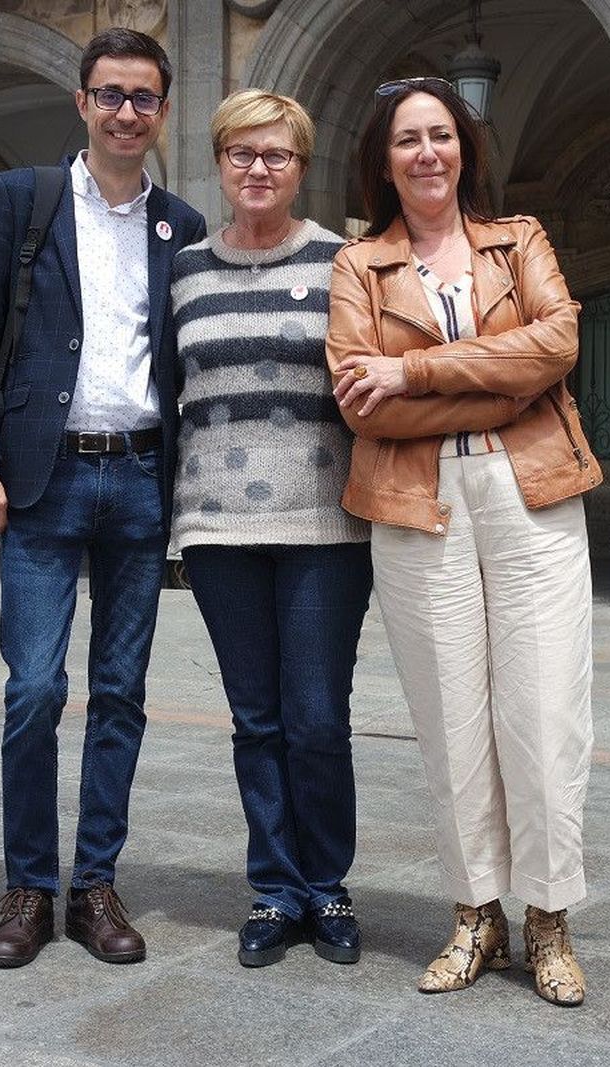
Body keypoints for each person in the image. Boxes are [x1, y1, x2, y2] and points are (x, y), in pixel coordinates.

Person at [0, 27, 206, 969]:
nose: (126, 112)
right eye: (110, 95)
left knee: (121, 692)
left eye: (143, 97)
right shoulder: (24, 199)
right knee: (35, 689)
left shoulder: (182, 226)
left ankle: (94, 886)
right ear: (83, 103)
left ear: (161, 111)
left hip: (139, 478)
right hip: (41, 481)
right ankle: (28, 887)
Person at [326, 77, 601, 1006]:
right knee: (449, 718)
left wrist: (412, 372)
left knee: (545, 708)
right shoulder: (359, 266)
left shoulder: (518, 240)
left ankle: (549, 915)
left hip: (532, 493)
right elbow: (357, 402)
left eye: (440, 134)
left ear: (464, 148)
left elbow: (556, 344)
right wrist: (500, 386)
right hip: (416, 500)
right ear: (385, 159)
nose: (427, 153)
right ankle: (476, 912)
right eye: (407, 139)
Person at [169, 90, 373, 968]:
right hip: (217, 527)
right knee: (256, 719)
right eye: (242, 154)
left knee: (318, 718)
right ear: (220, 163)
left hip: (326, 522)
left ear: (300, 167)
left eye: (276, 155)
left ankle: (327, 884)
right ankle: (276, 888)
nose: (258, 169)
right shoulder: (183, 271)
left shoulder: (343, 262)